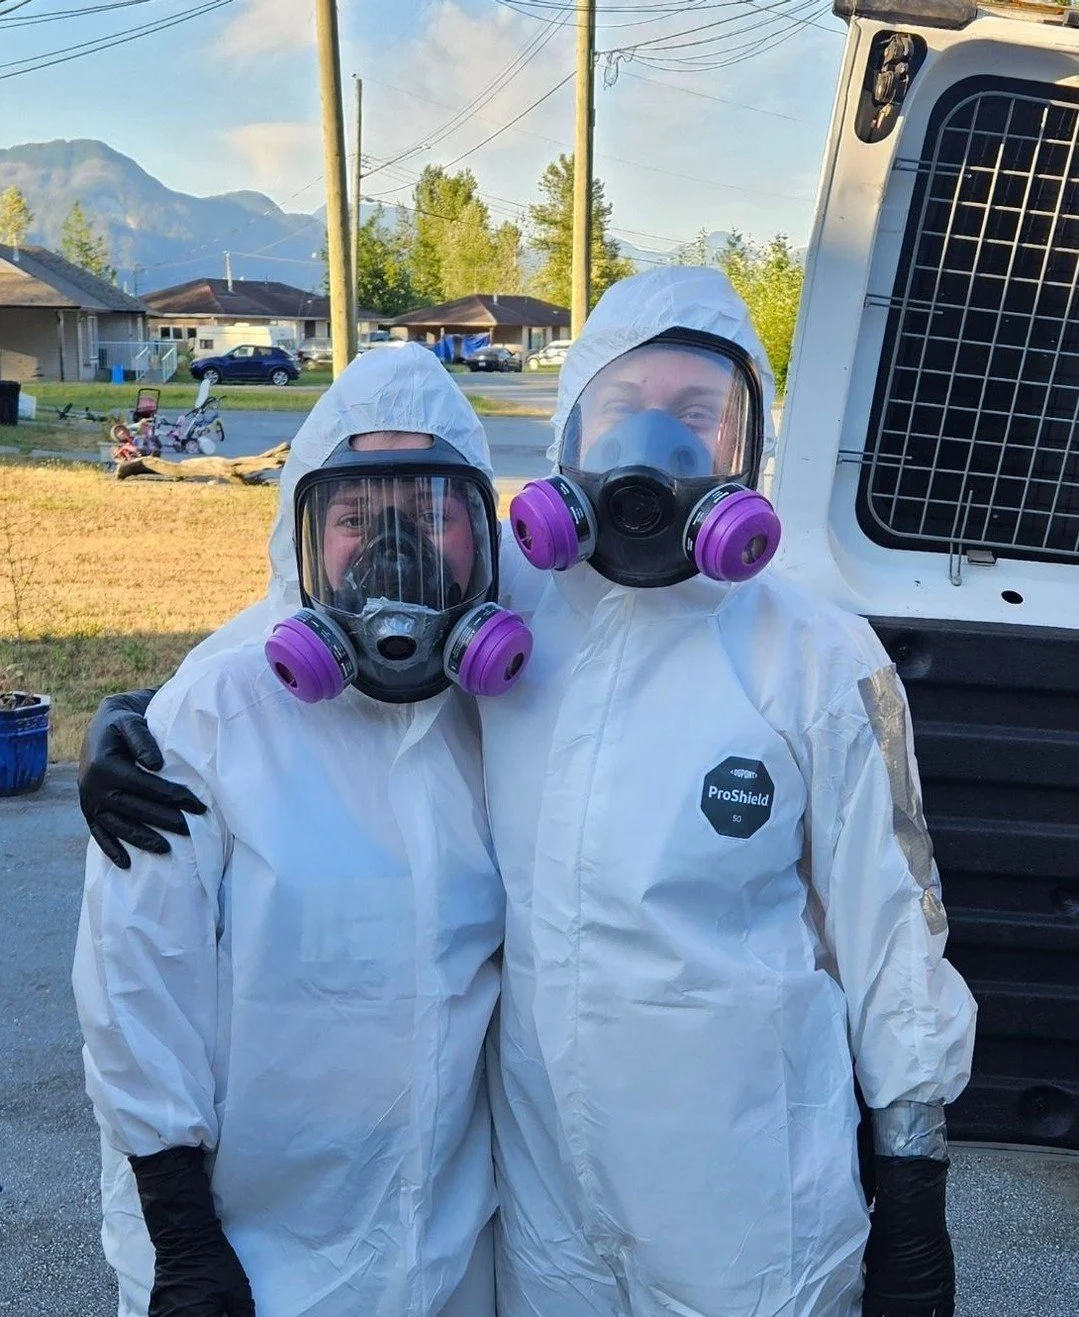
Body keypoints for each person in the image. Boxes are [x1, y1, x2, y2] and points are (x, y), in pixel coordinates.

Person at [79, 268, 977, 1317]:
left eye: (698, 417)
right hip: (543, 1216)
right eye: (623, 412)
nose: (659, 450)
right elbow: (336, 580)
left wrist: (912, 1191)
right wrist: (152, 713)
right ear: (568, 433)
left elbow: (890, 931)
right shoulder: (513, 605)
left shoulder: (816, 657)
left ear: (748, 443)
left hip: (749, 1203)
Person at [72, 343, 533, 1317]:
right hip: (251, 1266)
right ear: (301, 531)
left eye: (431, 512)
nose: (392, 548)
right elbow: (134, 992)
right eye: (358, 516)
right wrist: (181, 1239)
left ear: (480, 533)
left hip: (444, 1255)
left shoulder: (503, 708)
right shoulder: (211, 715)